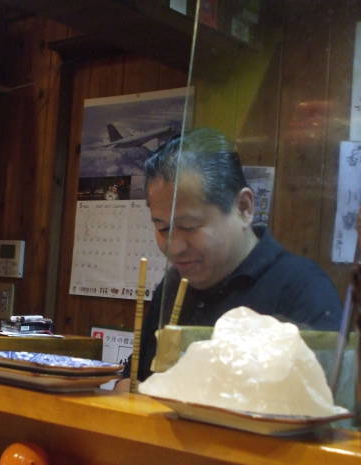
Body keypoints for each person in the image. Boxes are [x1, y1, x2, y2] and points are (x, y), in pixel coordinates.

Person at [124, 128, 342, 385]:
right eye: (162, 228)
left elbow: (321, 404)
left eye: (189, 226)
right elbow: (138, 375)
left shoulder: (301, 288)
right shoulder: (174, 284)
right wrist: (124, 385)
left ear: (244, 207)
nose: (174, 247)